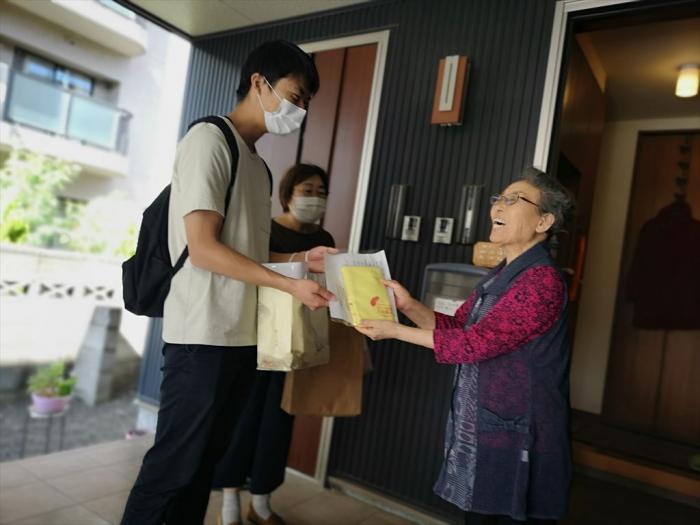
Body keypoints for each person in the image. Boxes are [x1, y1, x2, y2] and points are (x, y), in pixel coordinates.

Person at [121, 41, 337, 525]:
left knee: (203, 468)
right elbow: (204, 248)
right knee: (173, 469)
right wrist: (287, 286)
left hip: (241, 337)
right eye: (294, 96)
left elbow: (251, 254)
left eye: (305, 103)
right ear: (259, 82)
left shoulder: (257, 165)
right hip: (201, 336)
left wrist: (304, 258)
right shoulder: (209, 140)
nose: (298, 110)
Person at [356, 167, 574, 525]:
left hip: (523, 435)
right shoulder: (501, 273)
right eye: (498, 199)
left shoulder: (542, 281)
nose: (497, 208)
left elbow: (473, 344)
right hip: (491, 426)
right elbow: (458, 327)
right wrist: (408, 304)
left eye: (513, 200)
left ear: (544, 220)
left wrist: (395, 331)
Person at [213, 163, 335, 525]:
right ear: (287, 194)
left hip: (298, 345)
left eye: (320, 192)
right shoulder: (267, 230)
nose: (314, 198)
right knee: (243, 417)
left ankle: (262, 502)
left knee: (279, 421)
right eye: (306, 190)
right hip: (256, 338)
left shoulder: (324, 240)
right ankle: (230, 503)